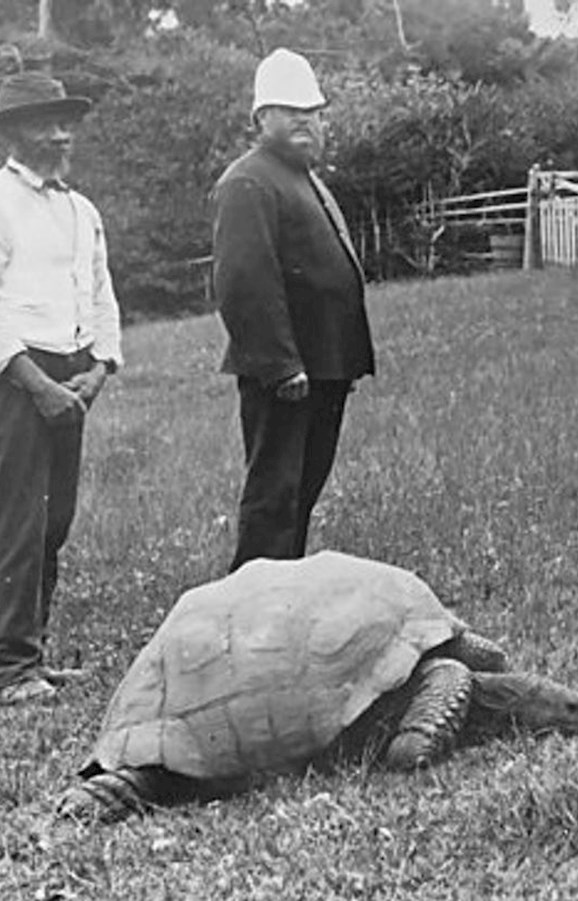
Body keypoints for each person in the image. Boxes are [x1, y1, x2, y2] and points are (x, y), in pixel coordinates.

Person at [0, 71, 123, 705]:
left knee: (55, 521)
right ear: (12, 131)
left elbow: (100, 295)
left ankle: (34, 653)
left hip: (72, 376)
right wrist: (36, 383)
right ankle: (9, 668)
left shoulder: (81, 209)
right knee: (17, 522)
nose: (63, 132)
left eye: (68, 120)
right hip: (13, 381)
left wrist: (100, 369)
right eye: (48, 121)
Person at [211, 48, 375, 572]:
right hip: (286, 373)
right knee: (273, 499)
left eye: (314, 110)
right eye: (290, 109)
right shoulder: (248, 180)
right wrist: (282, 365)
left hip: (324, 366)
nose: (305, 119)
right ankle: (250, 614)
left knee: (300, 494)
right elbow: (242, 282)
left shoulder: (304, 178)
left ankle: (283, 604)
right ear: (262, 119)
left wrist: (340, 361)